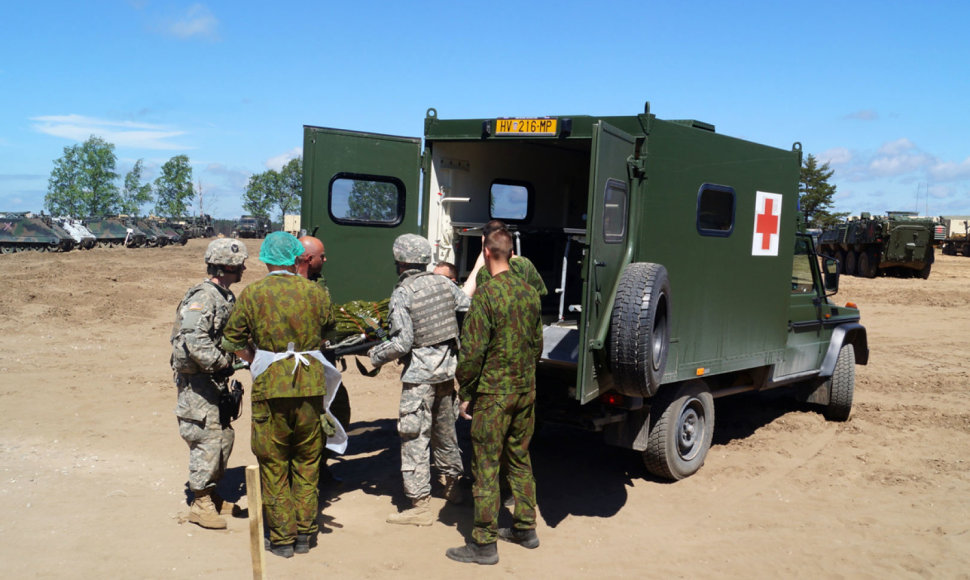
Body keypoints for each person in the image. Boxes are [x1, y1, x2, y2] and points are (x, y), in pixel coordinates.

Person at [221, 231, 339, 558]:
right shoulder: (315, 293)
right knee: (307, 461)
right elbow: (331, 329)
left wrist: (255, 358)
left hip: (270, 389)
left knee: (273, 464)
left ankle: (282, 538)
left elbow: (231, 340)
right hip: (311, 388)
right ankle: (304, 534)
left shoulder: (253, 294)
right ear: (296, 258)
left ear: (268, 259)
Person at [446, 228, 543, 566]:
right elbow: (536, 345)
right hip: (525, 392)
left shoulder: (486, 295)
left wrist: (466, 391)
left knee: (486, 465)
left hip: (494, 395)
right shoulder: (530, 294)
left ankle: (483, 544)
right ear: (511, 253)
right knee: (519, 457)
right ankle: (525, 528)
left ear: (486, 253)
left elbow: (471, 353)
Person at [368, 233, 470, 526]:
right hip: (447, 375)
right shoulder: (444, 283)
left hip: (420, 380)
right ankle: (453, 488)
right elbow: (468, 309)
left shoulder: (404, 292)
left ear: (399, 261)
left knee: (414, 437)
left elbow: (402, 343)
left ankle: (420, 505)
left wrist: (376, 354)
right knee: (446, 432)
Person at [171, 238, 248, 530]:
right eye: (240, 264)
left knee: (223, 437)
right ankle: (200, 502)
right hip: (197, 382)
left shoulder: (224, 296)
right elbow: (194, 339)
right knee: (206, 438)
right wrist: (223, 363)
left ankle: (212, 494)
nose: (243, 268)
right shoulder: (203, 297)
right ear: (227, 266)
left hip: (213, 380)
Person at [297, 234, 350, 476]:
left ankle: (321, 464)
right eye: (321, 256)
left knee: (336, 409)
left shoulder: (317, 283)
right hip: (305, 367)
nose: (326, 259)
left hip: (323, 363)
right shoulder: (295, 289)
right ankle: (309, 472)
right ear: (308, 258)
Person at [461, 219, 547, 298]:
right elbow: (541, 293)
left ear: (484, 239)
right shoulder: (525, 263)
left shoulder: (484, 272)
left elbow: (465, 296)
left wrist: (484, 250)